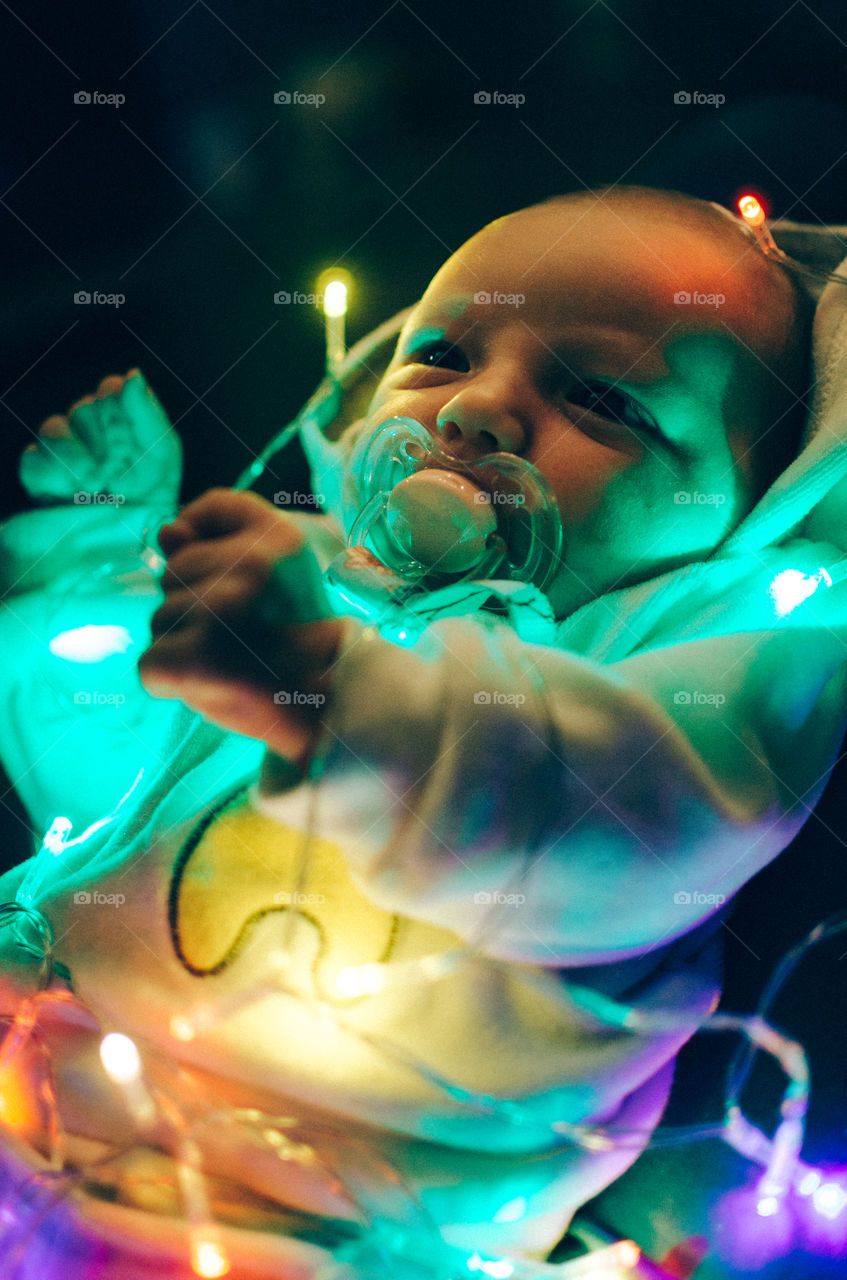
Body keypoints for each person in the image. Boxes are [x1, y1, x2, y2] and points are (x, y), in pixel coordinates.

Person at [0, 186, 846, 1278]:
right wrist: (97, 556)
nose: (477, 411)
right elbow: (89, 766)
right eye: (443, 353)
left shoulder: (704, 676)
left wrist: (328, 687)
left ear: (760, 510)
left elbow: (597, 818)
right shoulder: (309, 575)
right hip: (42, 1093)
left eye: (604, 401)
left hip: (330, 1227)